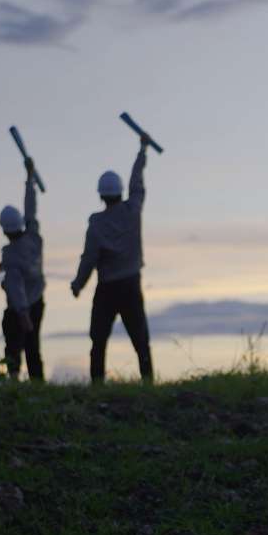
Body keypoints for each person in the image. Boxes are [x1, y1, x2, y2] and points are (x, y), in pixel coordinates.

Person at [71, 135, 154, 384]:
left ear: (101, 196)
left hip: (107, 288)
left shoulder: (96, 224)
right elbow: (137, 183)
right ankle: (148, 382)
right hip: (130, 284)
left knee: (98, 340)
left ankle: (97, 384)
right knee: (140, 339)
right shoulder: (132, 211)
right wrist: (142, 151)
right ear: (120, 192)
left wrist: (78, 284)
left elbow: (89, 258)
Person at [0, 157, 46, 382]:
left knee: (14, 345)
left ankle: (14, 380)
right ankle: (37, 382)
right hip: (38, 301)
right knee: (33, 347)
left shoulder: (11, 255)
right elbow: (31, 210)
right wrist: (29, 179)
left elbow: (15, 287)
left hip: (22, 307)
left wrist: (22, 312)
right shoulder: (34, 238)